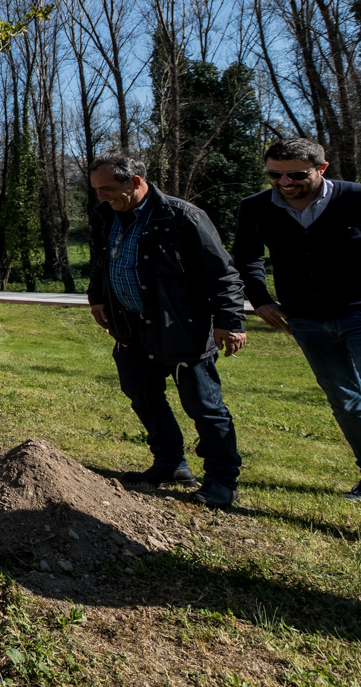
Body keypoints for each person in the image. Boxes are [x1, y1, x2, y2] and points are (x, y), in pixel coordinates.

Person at [233, 137, 361, 557]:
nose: (284, 182)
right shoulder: (256, 207)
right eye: (274, 174)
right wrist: (261, 300)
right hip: (307, 322)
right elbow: (246, 257)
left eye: (296, 174)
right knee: (345, 403)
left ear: (322, 168)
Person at [85, 153, 246, 509]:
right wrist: (97, 298)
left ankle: (222, 481)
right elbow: (102, 261)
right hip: (129, 326)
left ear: (137, 182)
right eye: (97, 190)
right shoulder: (104, 216)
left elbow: (222, 274)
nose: (102, 197)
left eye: (109, 189)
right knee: (141, 394)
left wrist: (229, 322)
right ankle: (170, 463)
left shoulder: (182, 216)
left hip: (180, 326)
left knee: (204, 406)